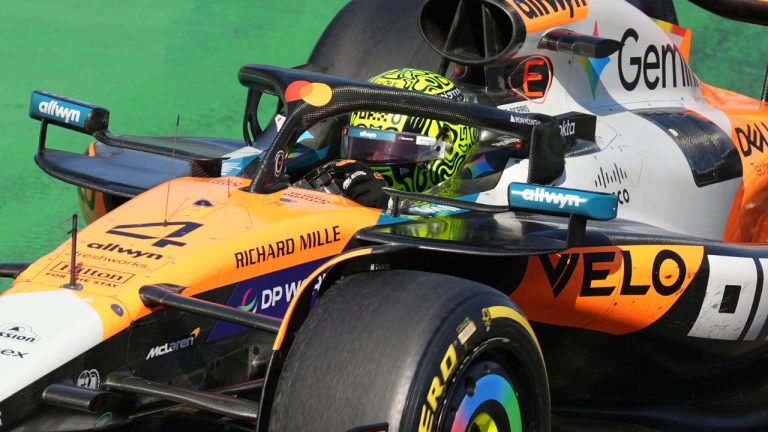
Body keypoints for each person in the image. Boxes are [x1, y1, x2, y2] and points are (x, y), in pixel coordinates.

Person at [327, 68, 478, 208]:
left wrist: (390, 204)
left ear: (446, 142)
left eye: (389, 152)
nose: (370, 164)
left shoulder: (484, 186)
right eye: (362, 148)